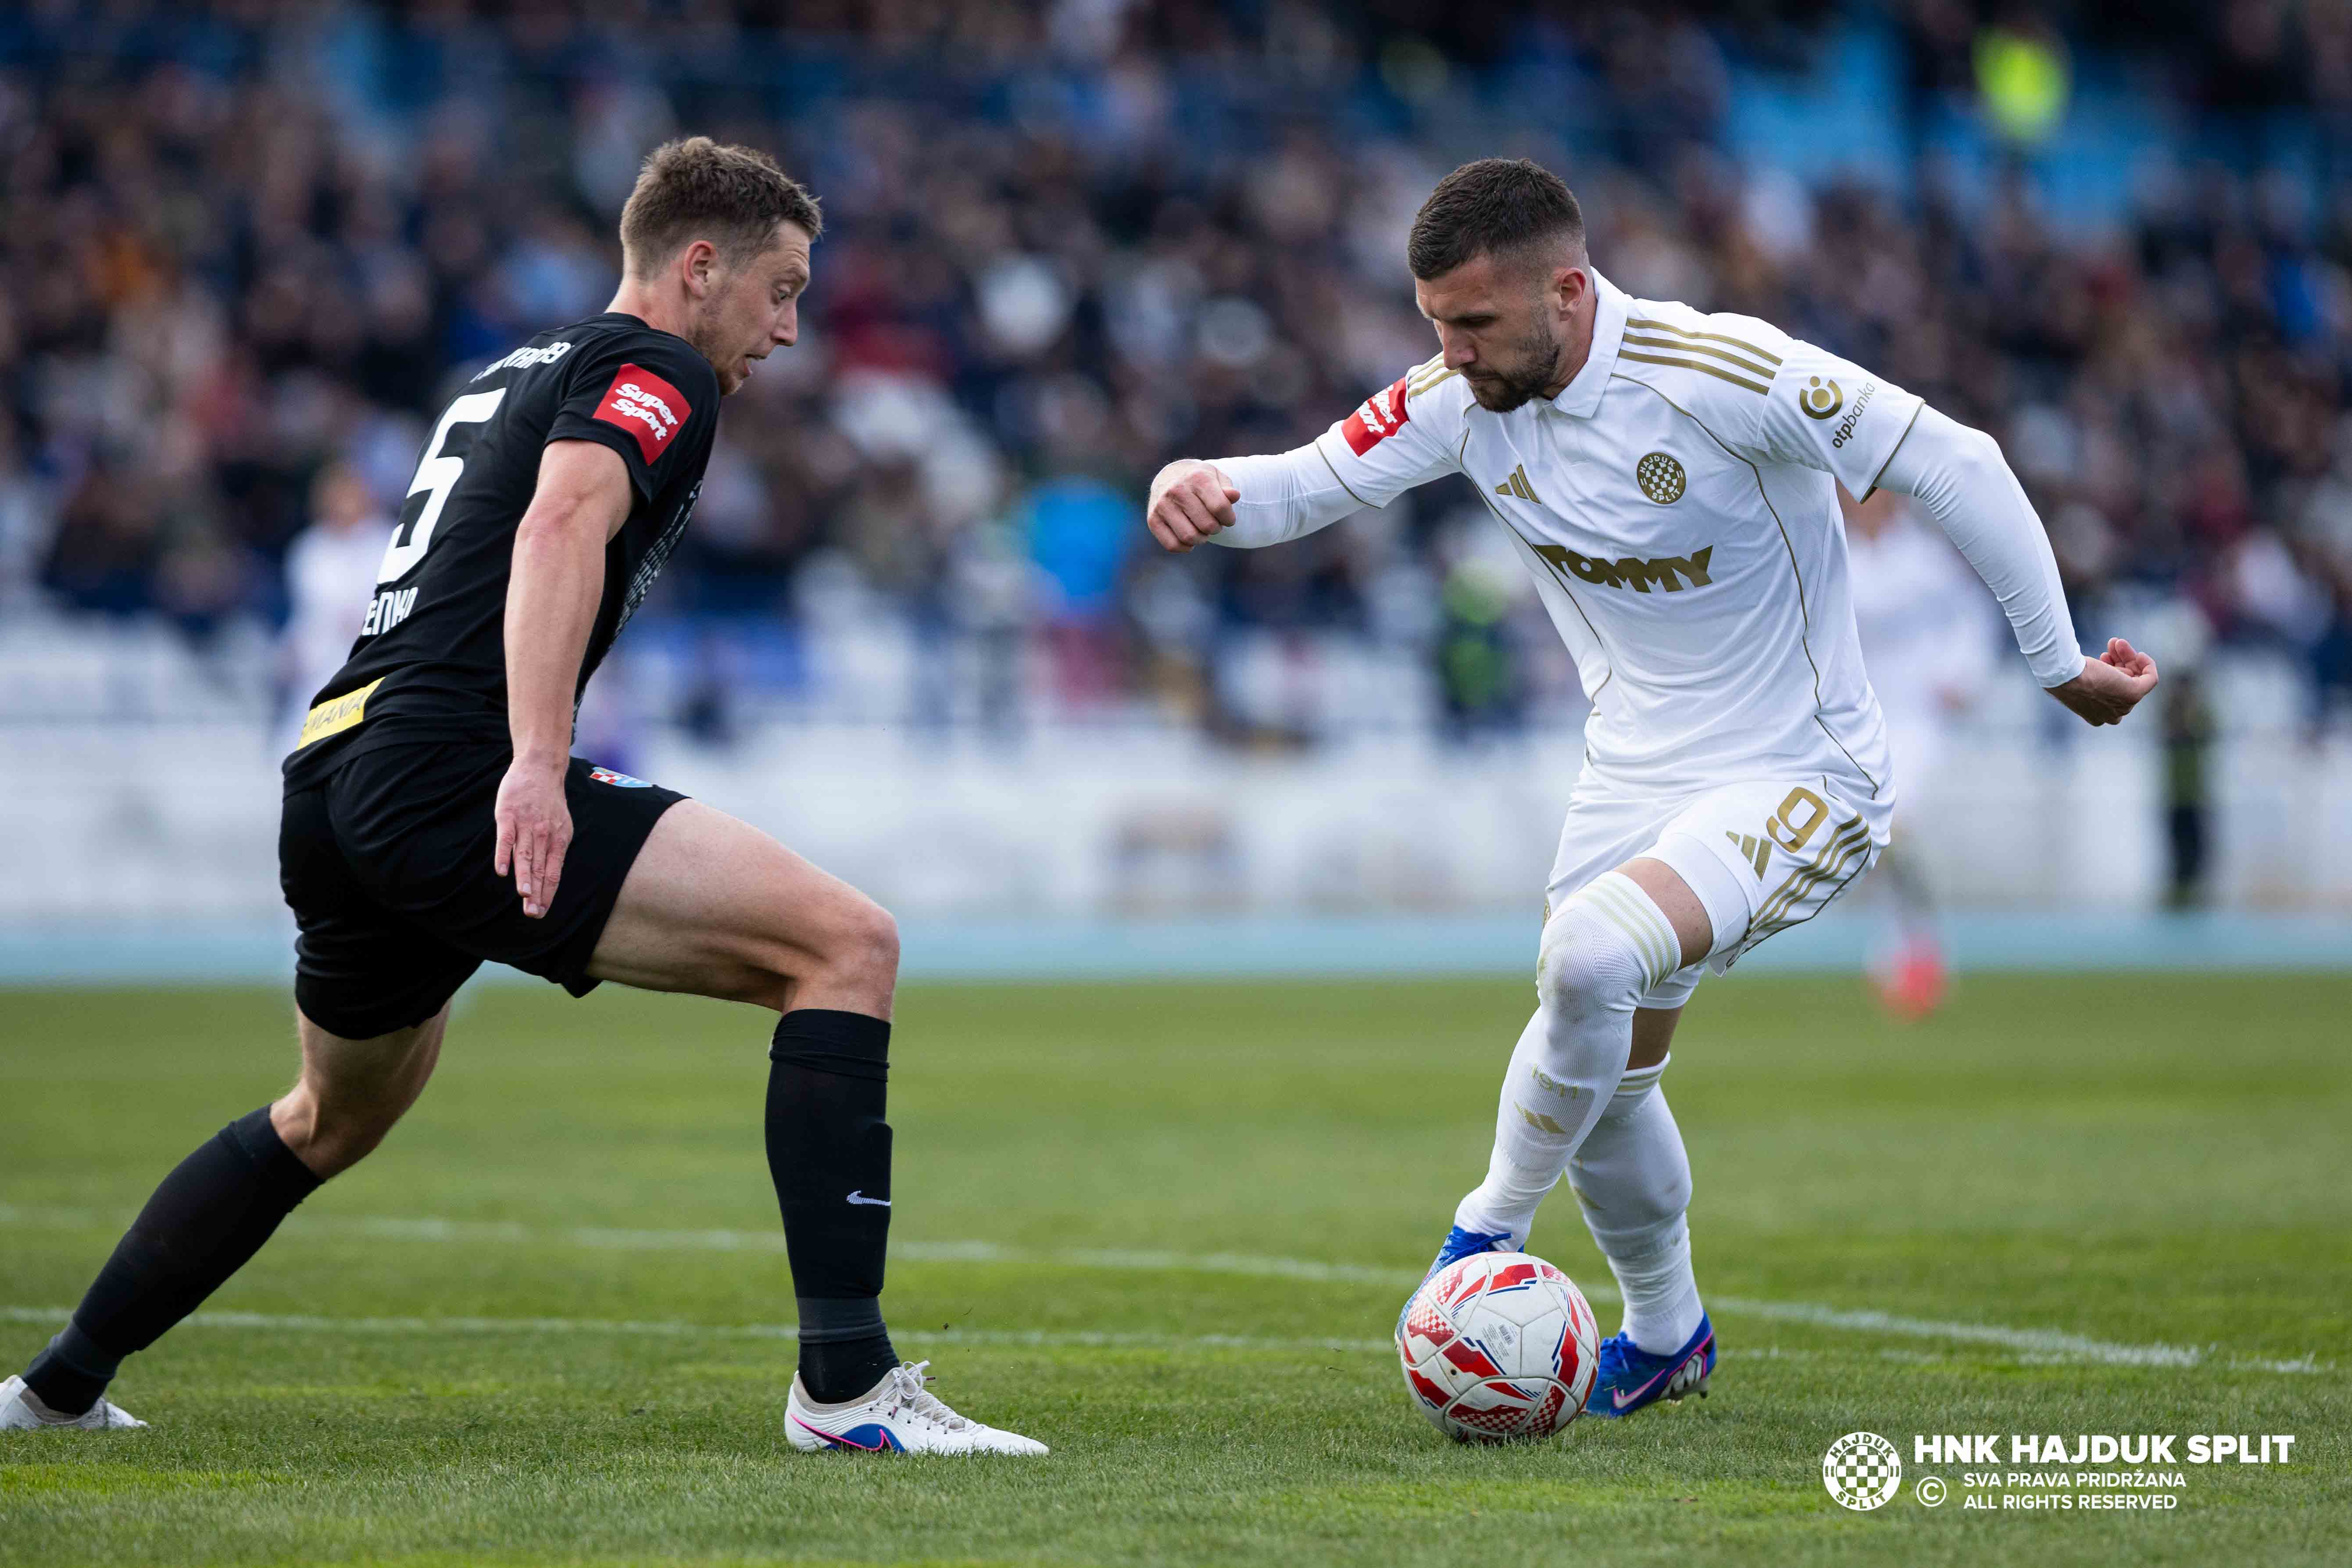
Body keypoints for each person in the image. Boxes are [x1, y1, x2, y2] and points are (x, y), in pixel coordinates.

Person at [3, 138, 1043, 1456]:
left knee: (325, 1117)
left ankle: (54, 1391)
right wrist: (538, 764)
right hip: (449, 770)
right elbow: (558, 526)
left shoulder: (517, 367)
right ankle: (845, 1391)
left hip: (335, 772)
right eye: (779, 290)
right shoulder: (658, 367)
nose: (787, 330)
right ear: (699, 265)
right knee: (845, 946)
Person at [1141, 158, 2156, 1420]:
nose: (1447, 353)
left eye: (1472, 324)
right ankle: (1668, 1330)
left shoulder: (1721, 372)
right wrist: (1194, 482)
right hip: (1631, 772)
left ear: (1567, 290)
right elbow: (1299, 481)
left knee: (1584, 963)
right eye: (1434, 325)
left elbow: (1957, 458)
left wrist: (2054, 657)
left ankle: (1478, 1235)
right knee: (1607, 1070)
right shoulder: (1463, 395)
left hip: (1802, 771)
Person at [1842, 485, 1996, 1016]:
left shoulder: (1926, 560)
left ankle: (1910, 950)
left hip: (1916, 718)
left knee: (1894, 823)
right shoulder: (1829, 552)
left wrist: (1961, 675)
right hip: (1855, 721)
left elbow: (1972, 620)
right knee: (1873, 840)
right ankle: (1909, 947)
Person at [273, 463, 395, 760]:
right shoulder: (309, 549)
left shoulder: (388, 542)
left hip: (372, 667)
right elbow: (307, 615)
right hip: (318, 669)